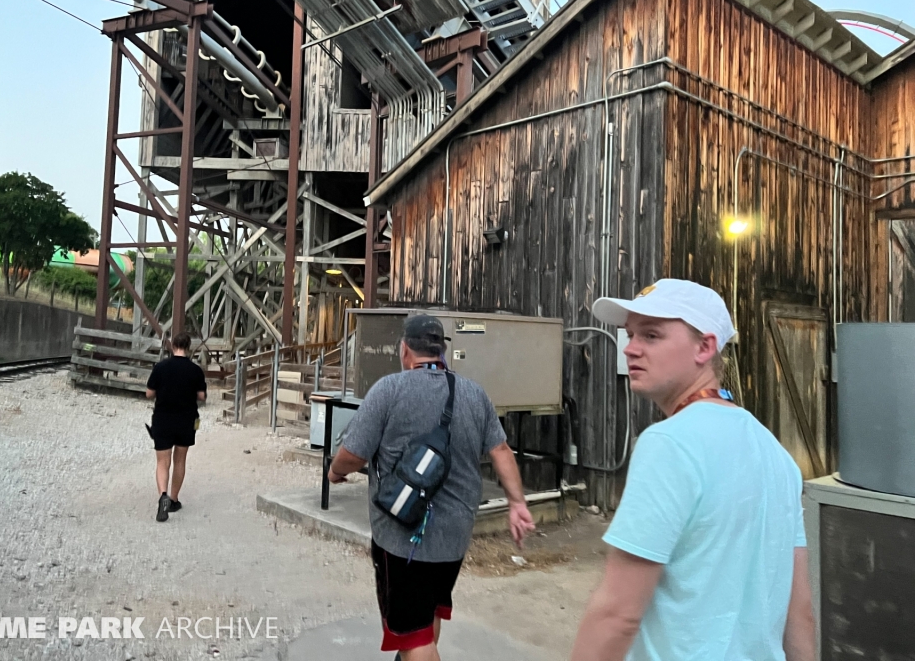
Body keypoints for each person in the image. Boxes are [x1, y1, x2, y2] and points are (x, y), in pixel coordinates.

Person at [570, 279, 816, 661]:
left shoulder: (670, 443)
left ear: (705, 347)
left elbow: (617, 613)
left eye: (651, 335)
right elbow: (798, 613)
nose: (631, 348)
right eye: (630, 334)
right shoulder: (776, 454)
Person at [328, 314, 537, 661]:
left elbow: (352, 454)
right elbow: (500, 450)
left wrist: (335, 473)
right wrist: (517, 503)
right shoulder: (473, 393)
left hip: (403, 537)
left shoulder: (388, 390)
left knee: (413, 637)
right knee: (429, 613)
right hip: (454, 536)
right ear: (443, 351)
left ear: (404, 350)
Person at [145, 331, 206, 523]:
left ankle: (162, 495)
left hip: (162, 419)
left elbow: (149, 393)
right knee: (180, 461)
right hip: (186, 420)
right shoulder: (195, 370)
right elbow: (202, 396)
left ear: (173, 346)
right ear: (188, 347)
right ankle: (173, 499)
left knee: (163, 462)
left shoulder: (161, 367)